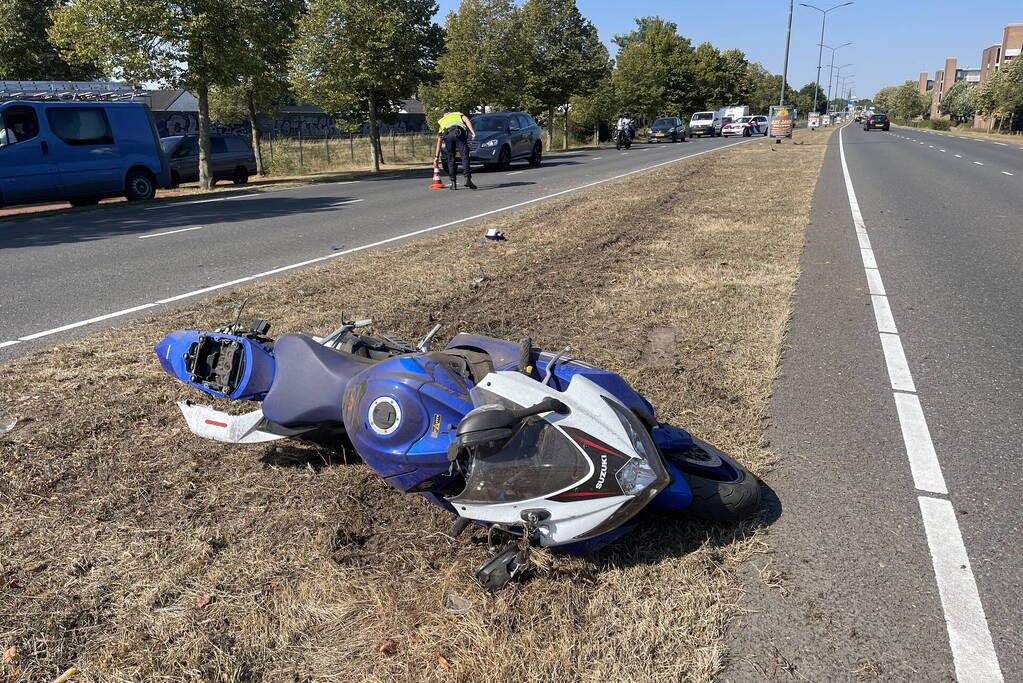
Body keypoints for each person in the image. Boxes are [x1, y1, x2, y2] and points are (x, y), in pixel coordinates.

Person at [433, 111, 478, 190]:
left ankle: (453, 183)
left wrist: (436, 157)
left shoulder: (442, 121)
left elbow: (439, 141)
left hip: (447, 135)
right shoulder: (457, 114)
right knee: (464, 156)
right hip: (458, 133)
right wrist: (472, 132)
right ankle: (467, 179)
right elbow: (467, 120)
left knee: (451, 158)